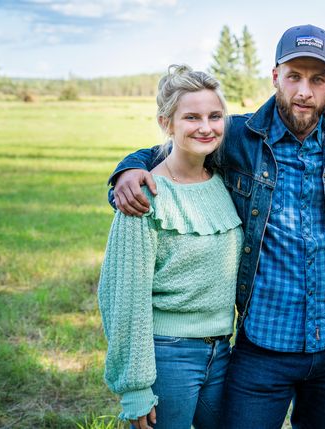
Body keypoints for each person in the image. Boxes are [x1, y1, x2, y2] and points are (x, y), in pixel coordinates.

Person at [107, 25, 325, 429]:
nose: (304, 91)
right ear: (275, 76)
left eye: (317, 79)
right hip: (261, 346)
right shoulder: (239, 138)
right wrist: (130, 168)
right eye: (294, 76)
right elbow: (183, 142)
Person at [98, 64, 241, 429]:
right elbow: (123, 296)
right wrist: (135, 387)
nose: (206, 127)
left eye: (214, 116)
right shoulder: (143, 195)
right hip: (168, 353)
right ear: (167, 123)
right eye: (191, 117)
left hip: (223, 350)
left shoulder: (226, 181)